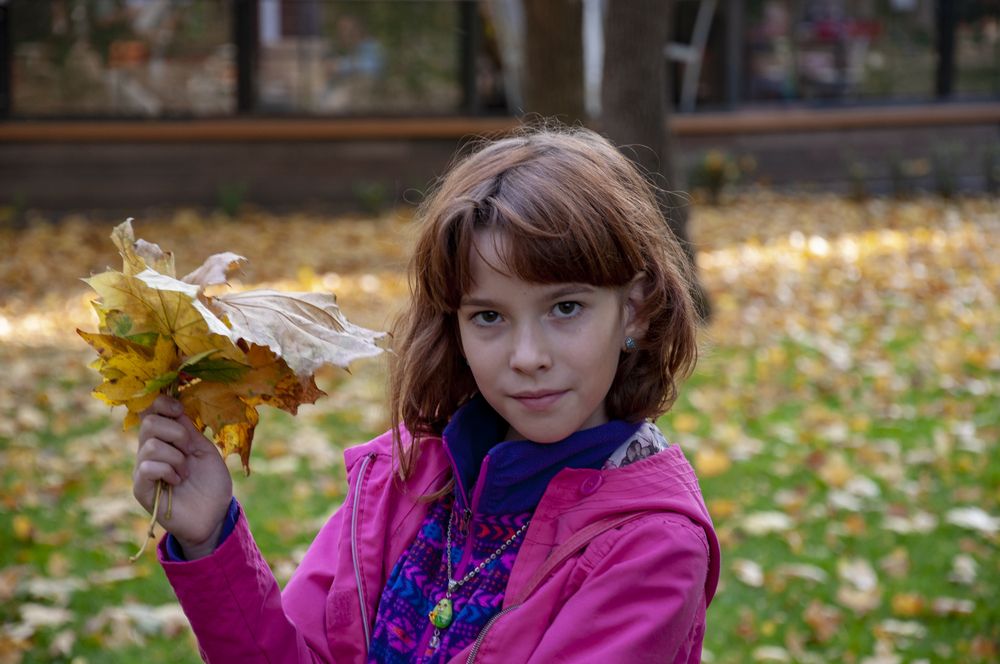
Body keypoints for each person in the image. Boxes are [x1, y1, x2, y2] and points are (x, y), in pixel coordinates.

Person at [133, 126, 721, 663]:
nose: (527, 356)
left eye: (565, 308)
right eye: (489, 316)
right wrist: (210, 535)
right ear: (453, 325)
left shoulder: (652, 547)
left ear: (635, 311)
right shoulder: (399, 479)